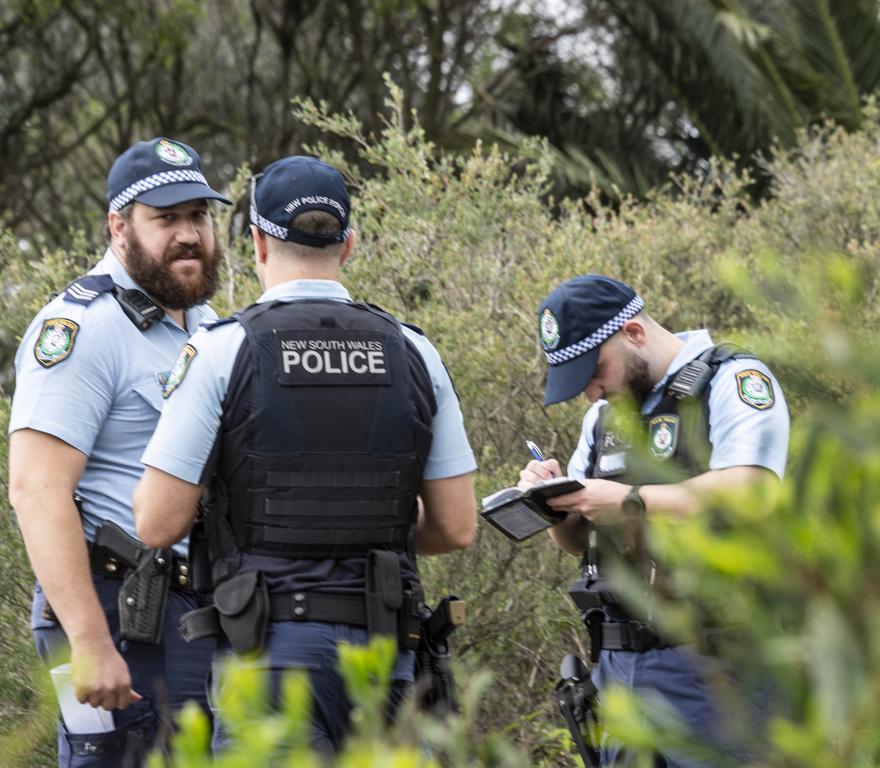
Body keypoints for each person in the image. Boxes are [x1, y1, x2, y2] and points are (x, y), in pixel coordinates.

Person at [132, 155, 478, 755]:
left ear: (258, 243)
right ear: (347, 245)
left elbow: (157, 522)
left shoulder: (221, 351)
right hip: (384, 654)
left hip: (268, 657)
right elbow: (455, 526)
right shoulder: (415, 351)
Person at [8, 137, 230, 766]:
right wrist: (87, 640)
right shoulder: (83, 328)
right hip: (115, 609)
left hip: (196, 614)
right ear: (118, 225)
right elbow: (36, 488)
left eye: (199, 217)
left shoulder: (211, 328)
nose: (188, 235)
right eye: (166, 219)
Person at [519, 275, 789, 767]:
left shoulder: (732, 380)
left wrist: (629, 500)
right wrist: (551, 499)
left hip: (716, 666)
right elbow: (576, 542)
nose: (591, 392)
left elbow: (754, 491)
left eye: (594, 371)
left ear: (635, 334)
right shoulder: (603, 418)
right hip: (619, 666)